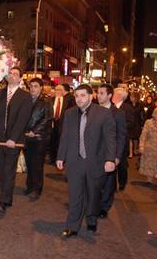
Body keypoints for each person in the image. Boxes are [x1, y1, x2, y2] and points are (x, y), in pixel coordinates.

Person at [56, 84, 116, 237]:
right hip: (74, 160)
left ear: (91, 96)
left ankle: (91, 220)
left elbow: (110, 139)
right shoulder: (69, 113)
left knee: (93, 194)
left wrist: (110, 159)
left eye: (83, 95)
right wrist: (60, 156)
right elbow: (65, 136)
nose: (79, 99)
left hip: (95, 161)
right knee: (75, 194)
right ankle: (72, 226)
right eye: (77, 96)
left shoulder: (103, 113)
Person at [0, 66, 33, 219]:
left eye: (16, 74)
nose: (12, 76)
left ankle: (2, 202)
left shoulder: (25, 96)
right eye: (10, 74)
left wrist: (13, 138)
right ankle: (7, 197)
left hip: (14, 141)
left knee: (9, 170)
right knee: (2, 171)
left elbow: (23, 120)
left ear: (20, 78)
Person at [97, 84, 127, 219]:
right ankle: (93, 203)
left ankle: (104, 207)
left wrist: (117, 156)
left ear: (109, 96)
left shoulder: (118, 113)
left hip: (110, 153)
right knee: (94, 180)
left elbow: (121, 136)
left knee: (108, 182)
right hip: (94, 152)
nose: (98, 96)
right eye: (97, 93)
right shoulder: (94, 110)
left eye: (102, 93)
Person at [24, 78, 53, 201]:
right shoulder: (26, 100)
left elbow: (47, 119)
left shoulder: (46, 101)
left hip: (39, 138)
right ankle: (30, 186)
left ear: (41, 87)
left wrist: (34, 131)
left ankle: (37, 189)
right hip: (26, 137)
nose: (32, 89)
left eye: (35, 86)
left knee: (37, 164)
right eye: (31, 86)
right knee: (29, 163)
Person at [112, 87, 134, 190]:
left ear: (119, 96)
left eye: (114, 94)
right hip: (111, 140)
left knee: (122, 164)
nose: (111, 95)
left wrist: (116, 125)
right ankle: (110, 184)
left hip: (122, 140)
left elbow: (130, 123)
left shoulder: (127, 108)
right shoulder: (110, 107)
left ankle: (122, 183)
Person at [50, 84, 75, 163]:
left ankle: (60, 158)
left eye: (60, 90)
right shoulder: (51, 100)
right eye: (56, 89)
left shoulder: (67, 100)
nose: (58, 91)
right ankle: (52, 159)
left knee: (60, 142)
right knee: (52, 141)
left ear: (63, 91)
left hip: (63, 124)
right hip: (52, 124)